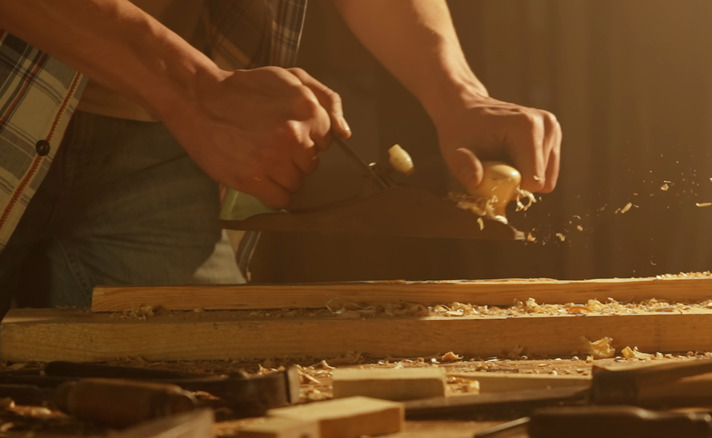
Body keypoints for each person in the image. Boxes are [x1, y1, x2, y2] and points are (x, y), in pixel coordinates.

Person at [0, 0, 561, 311]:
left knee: (200, 392)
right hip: (18, 92)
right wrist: (196, 91)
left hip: (163, 145)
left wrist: (458, 94)